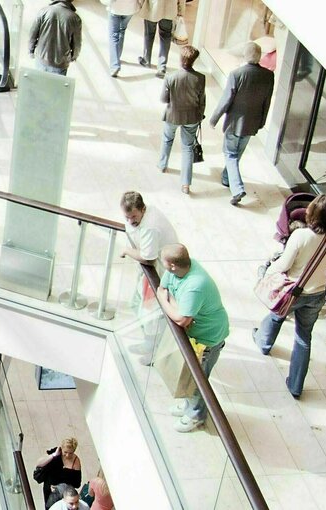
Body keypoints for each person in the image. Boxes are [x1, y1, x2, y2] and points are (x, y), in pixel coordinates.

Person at [254, 195, 326, 398]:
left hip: (293, 291)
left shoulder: (302, 235)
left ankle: (263, 343)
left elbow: (284, 265)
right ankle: (296, 386)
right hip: (318, 293)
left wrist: (267, 269)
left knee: (276, 315)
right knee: (304, 338)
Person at [157, 244, 230, 432]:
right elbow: (162, 288)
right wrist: (172, 304)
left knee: (199, 377)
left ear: (173, 265)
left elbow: (181, 318)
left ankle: (196, 415)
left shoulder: (195, 286)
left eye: (164, 263)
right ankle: (189, 404)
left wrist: (166, 302)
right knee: (189, 373)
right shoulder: (178, 271)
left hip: (208, 339)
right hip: (195, 334)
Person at [209, 41, 275, 206]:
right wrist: (261, 122)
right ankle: (226, 178)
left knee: (231, 155)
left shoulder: (236, 74)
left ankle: (237, 189)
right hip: (252, 124)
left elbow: (226, 100)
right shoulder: (268, 76)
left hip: (234, 123)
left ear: (245, 55)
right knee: (237, 154)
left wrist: (214, 118)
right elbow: (266, 102)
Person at [120, 192, 178, 364]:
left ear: (143, 209)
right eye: (127, 217)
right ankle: (148, 343)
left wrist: (126, 251)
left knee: (151, 315)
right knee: (137, 305)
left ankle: (154, 351)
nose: (131, 221)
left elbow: (148, 257)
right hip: (150, 272)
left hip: (158, 275)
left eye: (134, 217)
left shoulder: (150, 227)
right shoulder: (144, 217)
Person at [159, 45, 205, 194]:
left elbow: (163, 99)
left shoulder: (171, 77)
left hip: (173, 115)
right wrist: (200, 114)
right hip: (192, 117)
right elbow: (202, 100)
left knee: (167, 139)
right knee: (187, 148)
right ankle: (185, 183)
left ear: (181, 59)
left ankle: (162, 164)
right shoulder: (200, 78)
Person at [28, 0, 81, 75]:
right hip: (61, 63)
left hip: (41, 58)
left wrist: (31, 50)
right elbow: (77, 43)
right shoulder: (75, 18)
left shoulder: (43, 11)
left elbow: (33, 34)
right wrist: (73, 57)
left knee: (39, 84)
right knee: (56, 86)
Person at [138, 0, 184, 78]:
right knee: (165, 37)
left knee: (149, 34)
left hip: (152, 7)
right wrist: (181, 10)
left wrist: (141, 4)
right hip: (169, 9)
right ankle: (162, 66)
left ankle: (146, 60)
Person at [34, 438, 82, 507]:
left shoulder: (76, 462)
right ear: (61, 448)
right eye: (65, 452)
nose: (67, 455)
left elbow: (77, 483)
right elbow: (39, 463)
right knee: (48, 506)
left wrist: (60, 486)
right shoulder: (56, 453)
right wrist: (53, 455)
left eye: (70, 453)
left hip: (62, 492)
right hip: (48, 487)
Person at [106, 0, 143, 77]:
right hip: (130, 9)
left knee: (114, 35)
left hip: (115, 7)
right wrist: (140, 3)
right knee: (122, 30)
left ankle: (114, 65)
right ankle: (117, 57)